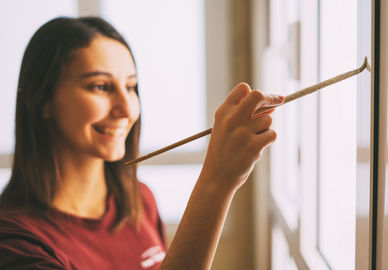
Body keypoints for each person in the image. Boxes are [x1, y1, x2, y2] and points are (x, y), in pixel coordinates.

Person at [0, 17, 283, 270]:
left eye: (131, 87)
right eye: (100, 86)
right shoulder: (14, 242)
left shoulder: (140, 200)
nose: (127, 109)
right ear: (42, 101)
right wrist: (218, 181)